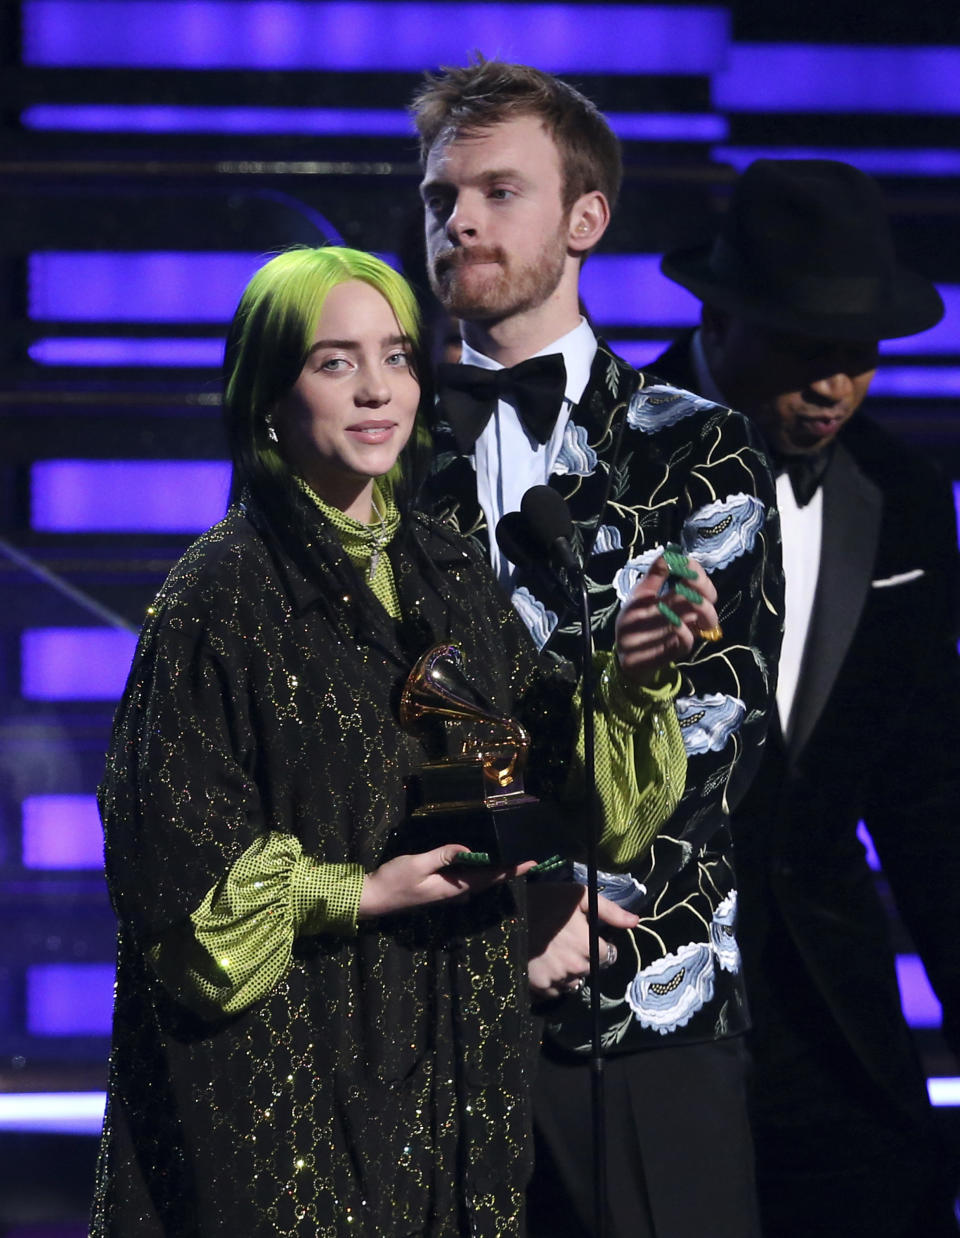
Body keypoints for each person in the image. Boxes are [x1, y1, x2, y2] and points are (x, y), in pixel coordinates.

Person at [89, 245, 700, 1237]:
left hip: (454, 1063)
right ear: (266, 394)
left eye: (397, 356)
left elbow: (563, 793)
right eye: (335, 362)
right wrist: (360, 891)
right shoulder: (219, 598)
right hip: (283, 1085)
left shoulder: (447, 568)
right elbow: (175, 891)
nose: (377, 389)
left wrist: (631, 673)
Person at [411, 60, 783, 1238]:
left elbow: (719, 723)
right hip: (427, 1003)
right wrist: (509, 889)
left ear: (586, 219)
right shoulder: (373, 447)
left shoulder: (698, 447)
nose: (459, 219)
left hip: (649, 1003)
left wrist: (571, 895)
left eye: (497, 191)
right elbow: (362, 706)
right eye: (438, 198)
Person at [654, 157, 960, 1236]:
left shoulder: (908, 504)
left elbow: (928, 795)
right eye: (808, 348)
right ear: (724, 318)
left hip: (830, 1021)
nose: (837, 384)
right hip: (633, 1017)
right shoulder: (585, 465)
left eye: (860, 355)